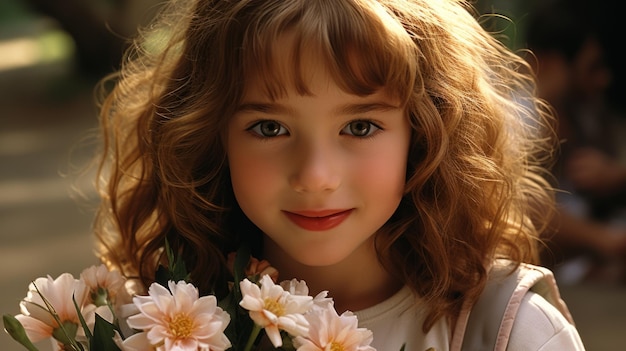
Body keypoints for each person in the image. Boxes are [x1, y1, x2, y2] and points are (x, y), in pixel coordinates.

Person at [91, 0, 585, 349]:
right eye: (269, 127)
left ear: (427, 132)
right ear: (211, 136)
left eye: (360, 126)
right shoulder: (154, 330)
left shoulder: (511, 332)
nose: (316, 176)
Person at [524, 0, 626, 283]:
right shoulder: (520, 114)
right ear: (554, 63)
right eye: (591, 67)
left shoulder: (587, 116)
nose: (602, 80)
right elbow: (522, 204)